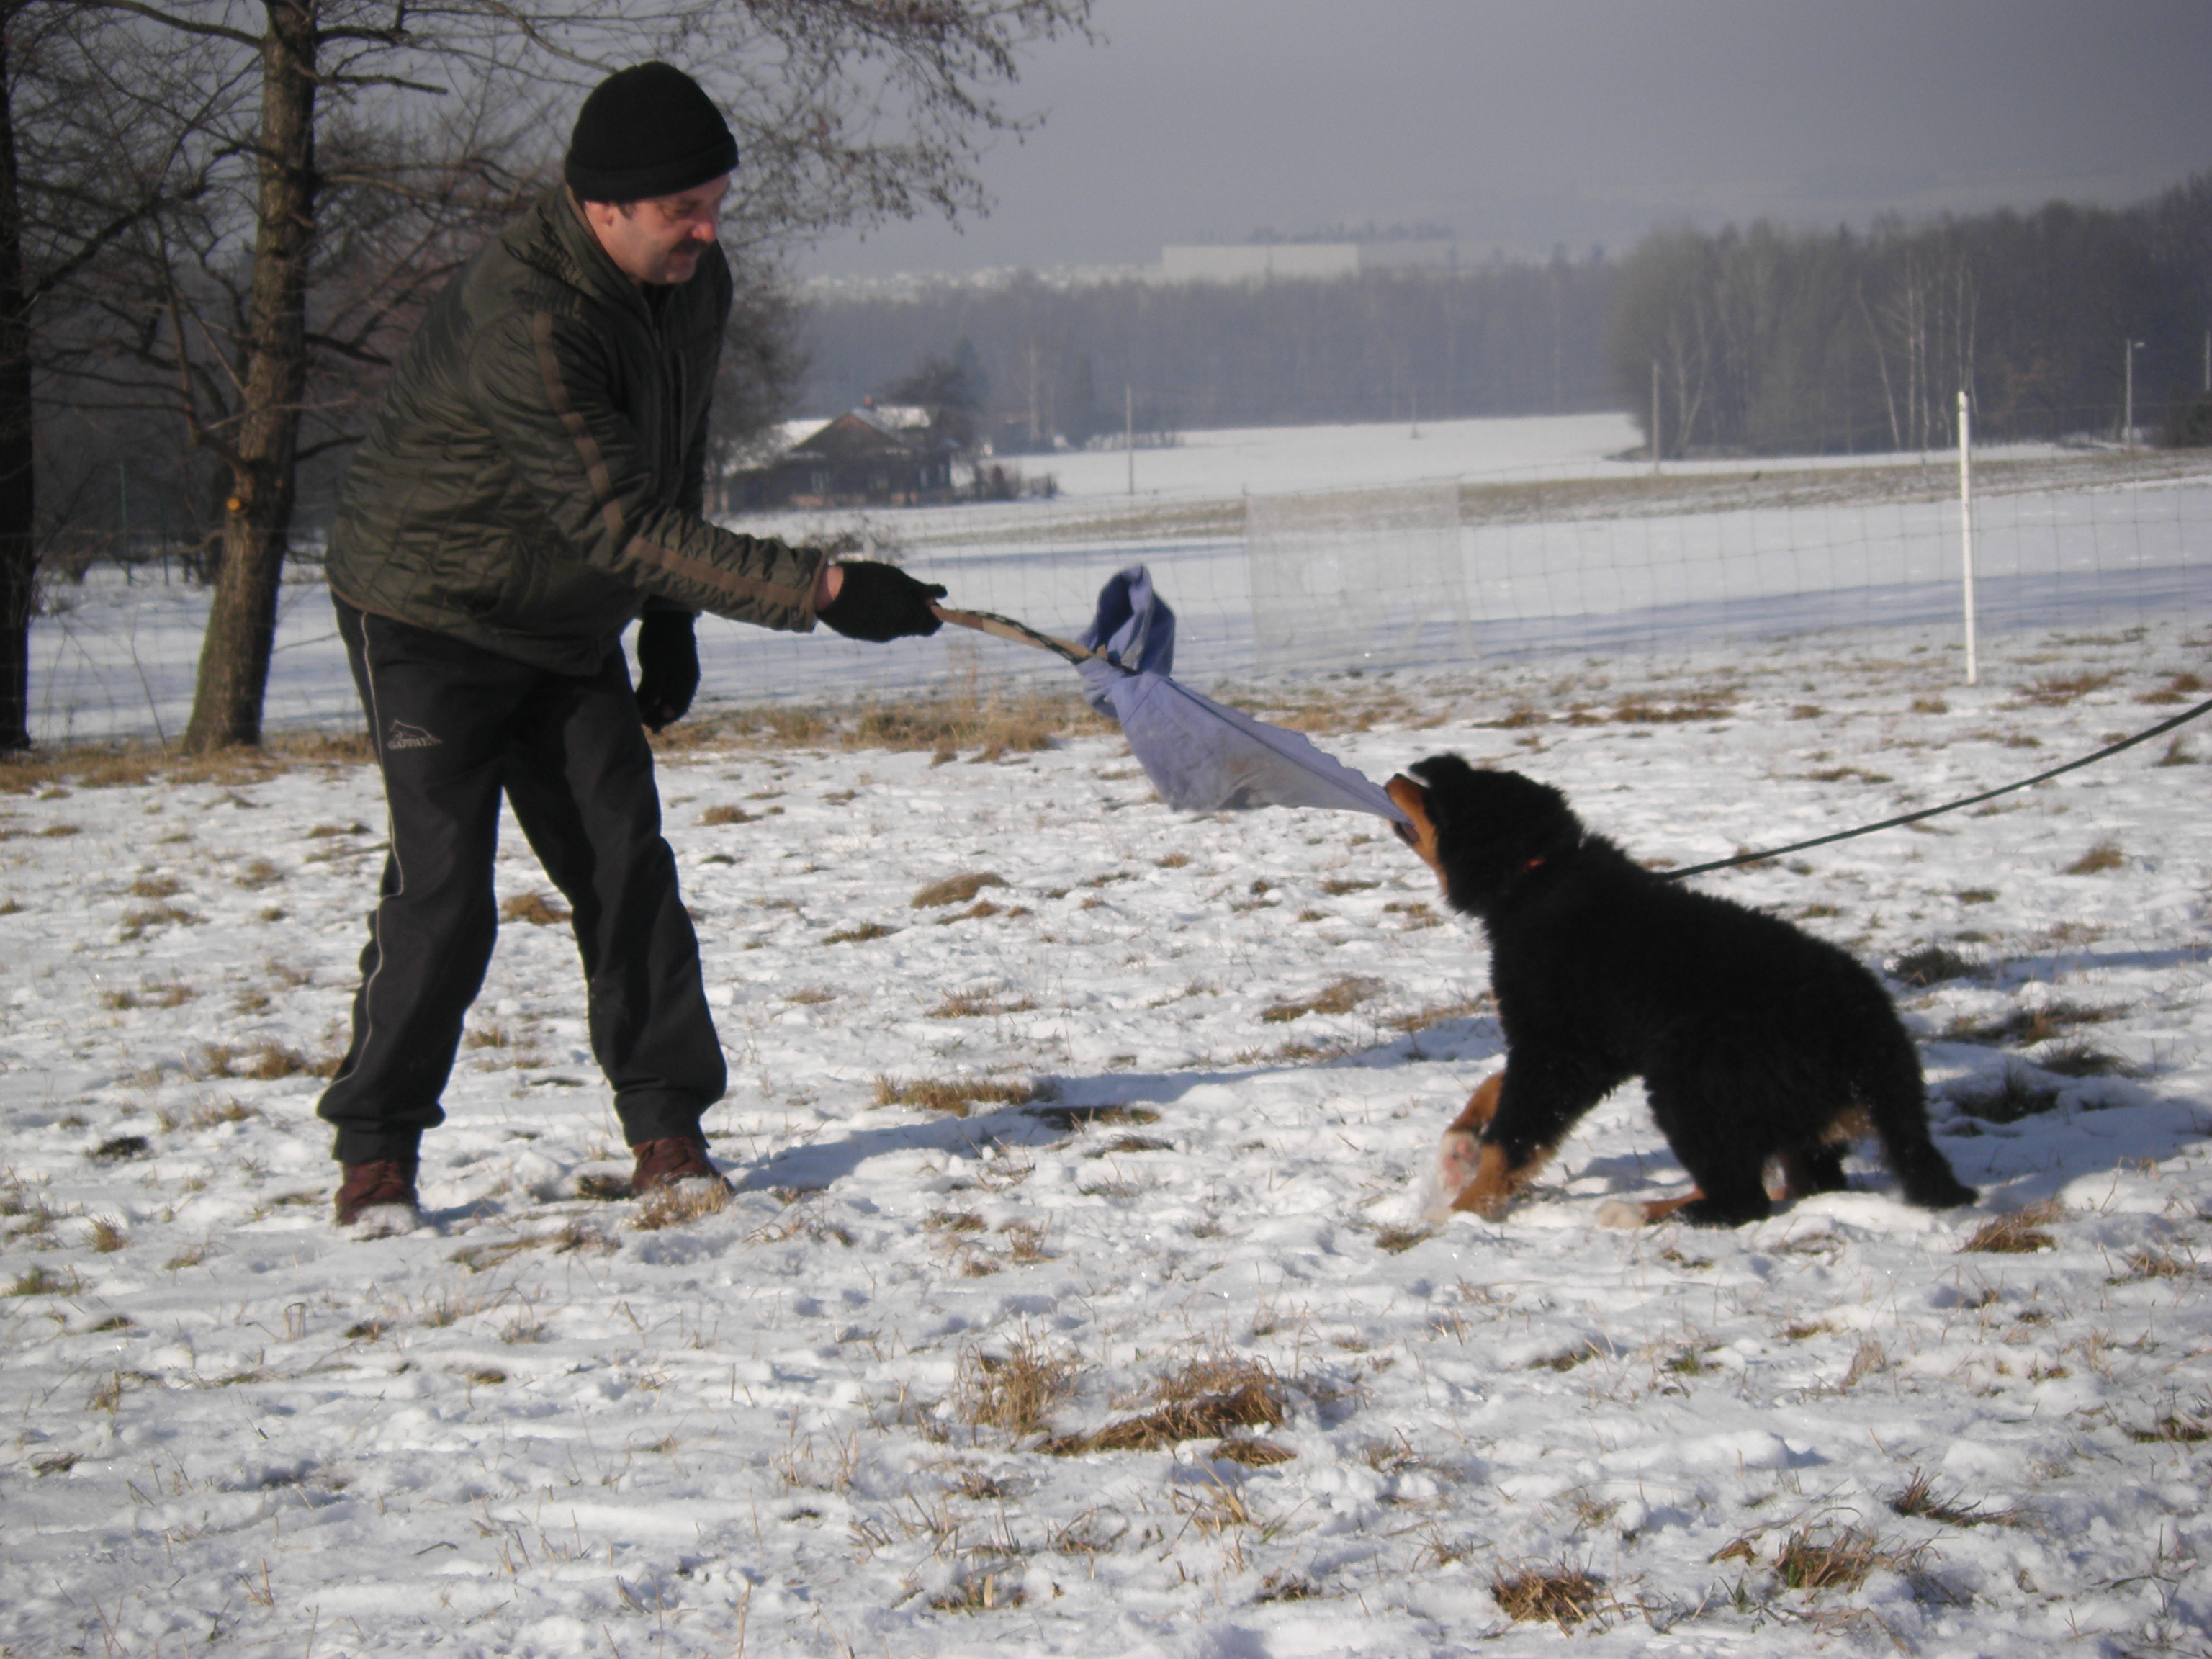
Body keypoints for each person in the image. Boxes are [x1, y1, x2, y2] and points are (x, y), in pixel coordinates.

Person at [316, 63, 945, 1231]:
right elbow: (620, 522)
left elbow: (671, 454)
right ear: (601, 205)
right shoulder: (531, 318)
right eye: (682, 211)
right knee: (447, 890)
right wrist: (824, 588)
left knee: (623, 867)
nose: (708, 229)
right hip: (429, 615)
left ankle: (667, 1133)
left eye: (716, 202)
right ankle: (377, 1153)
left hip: (568, 618)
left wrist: (670, 620)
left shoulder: (691, 286)